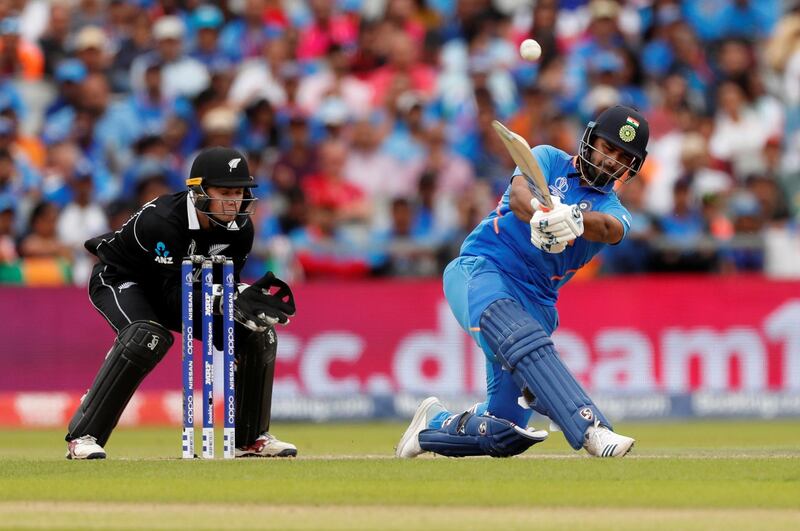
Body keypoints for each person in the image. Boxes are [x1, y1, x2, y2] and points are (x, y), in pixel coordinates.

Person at [396, 105, 650, 459]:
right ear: (591, 141)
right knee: (518, 334)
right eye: (608, 148)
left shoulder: (613, 209)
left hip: (535, 302)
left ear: (632, 168)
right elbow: (518, 198)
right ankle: (591, 428)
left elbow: (609, 229)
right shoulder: (547, 158)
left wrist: (574, 219)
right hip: (482, 269)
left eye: (623, 157)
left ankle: (430, 425)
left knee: (503, 432)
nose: (611, 161)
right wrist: (542, 214)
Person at [65, 146, 298, 460]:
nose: (234, 201)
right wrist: (225, 299)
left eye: (240, 192)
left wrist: (238, 300)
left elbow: (216, 287)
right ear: (199, 192)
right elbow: (171, 299)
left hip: (180, 288)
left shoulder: (241, 229)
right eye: (225, 192)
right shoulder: (162, 221)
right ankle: (83, 435)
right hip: (123, 280)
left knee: (258, 334)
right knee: (147, 336)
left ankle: (251, 438)